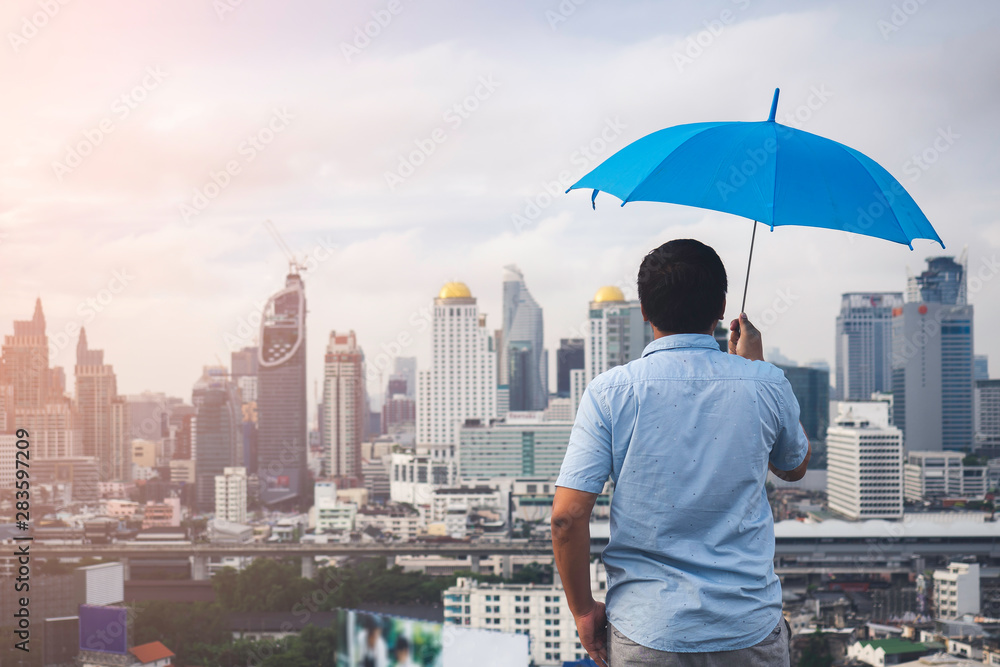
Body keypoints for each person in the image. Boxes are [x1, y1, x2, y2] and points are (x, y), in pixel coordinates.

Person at [551, 239, 810, 666]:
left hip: (647, 632)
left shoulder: (608, 393)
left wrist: (583, 610)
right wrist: (757, 366)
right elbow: (795, 466)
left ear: (644, 310)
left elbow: (566, 516)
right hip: (747, 628)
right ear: (723, 305)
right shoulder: (765, 383)